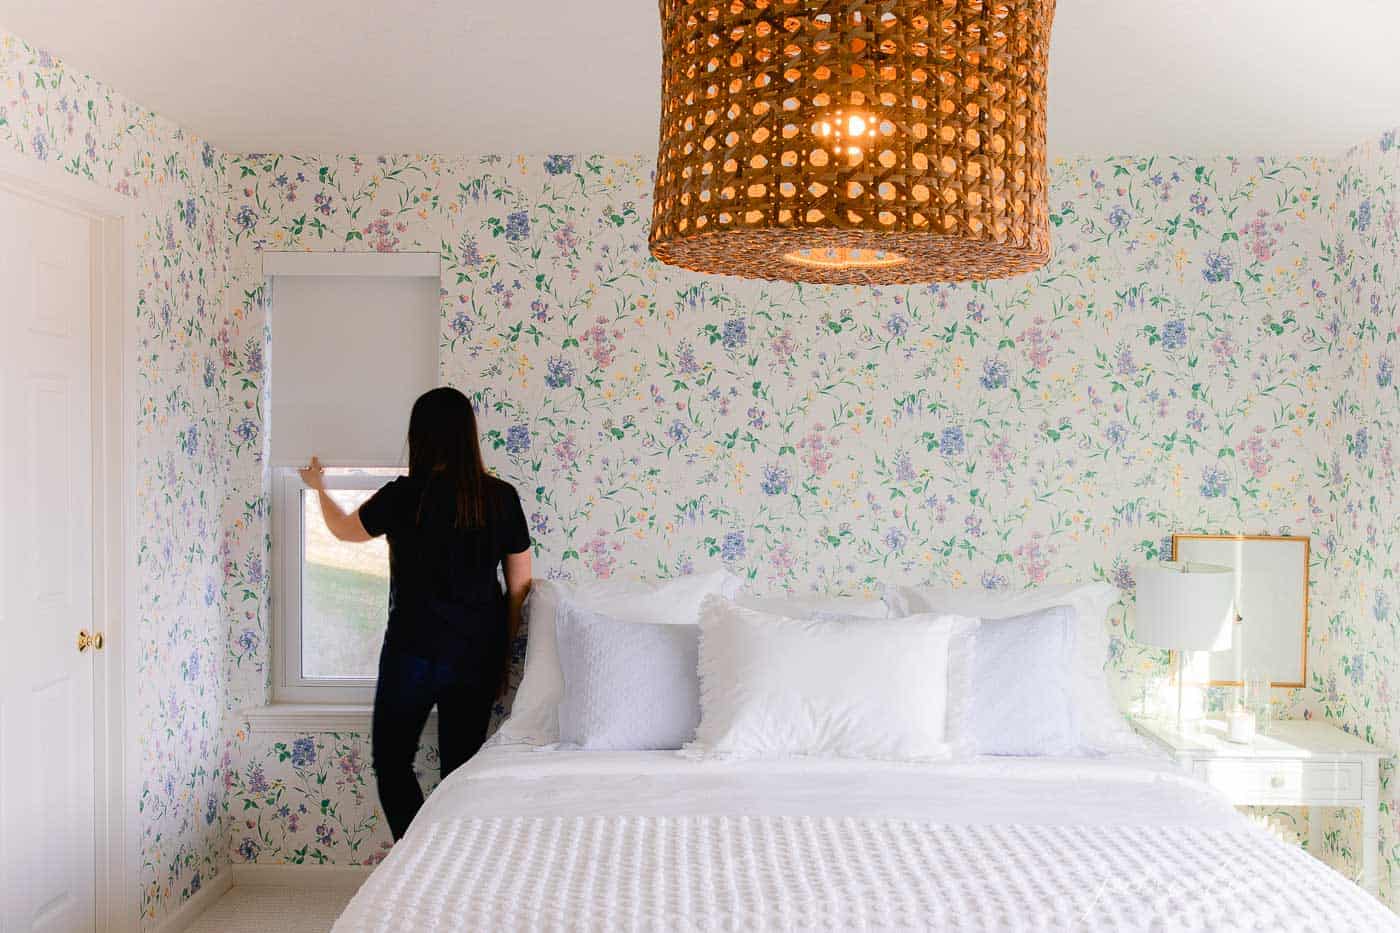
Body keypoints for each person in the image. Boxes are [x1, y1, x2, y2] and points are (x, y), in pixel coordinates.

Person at [299, 386, 532, 841]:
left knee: (392, 764)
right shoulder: (500, 498)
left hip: (412, 654)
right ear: (469, 435)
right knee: (459, 775)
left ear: (419, 436)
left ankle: (417, 854)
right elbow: (520, 588)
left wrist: (319, 488)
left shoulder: (403, 497)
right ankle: (445, 860)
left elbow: (344, 532)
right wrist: (506, 656)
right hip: (476, 657)